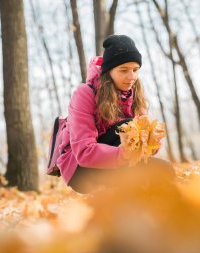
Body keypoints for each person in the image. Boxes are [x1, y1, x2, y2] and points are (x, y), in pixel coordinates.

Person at [56, 35, 174, 193]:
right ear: (109, 71)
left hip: (119, 160)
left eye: (135, 70)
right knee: (127, 126)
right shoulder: (85, 93)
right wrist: (124, 154)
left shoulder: (135, 93)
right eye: (123, 70)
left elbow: (142, 148)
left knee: (164, 170)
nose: (131, 76)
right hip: (81, 170)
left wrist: (151, 140)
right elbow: (84, 152)